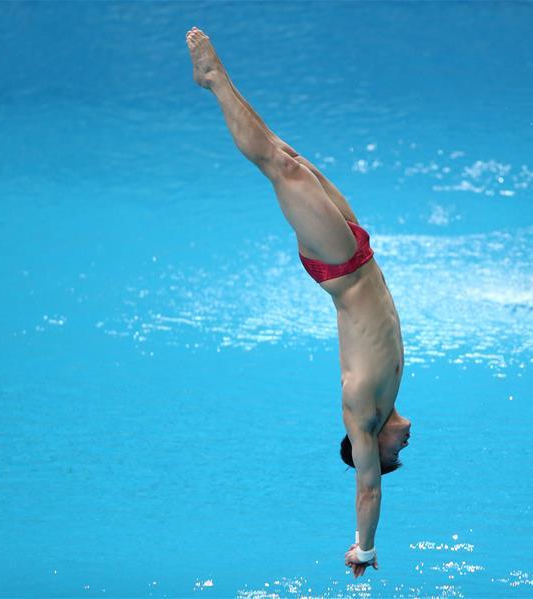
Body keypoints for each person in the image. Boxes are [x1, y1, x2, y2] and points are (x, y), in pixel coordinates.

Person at [185, 27, 412, 578]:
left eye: (394, 457)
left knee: (278, 167)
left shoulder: (362, 416)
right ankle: (221, 83)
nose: (404, 447)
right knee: (289, 156)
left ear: (372, 451)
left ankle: (213, 80)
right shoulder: (388, 398)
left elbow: (366, 490)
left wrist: (366, 549)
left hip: (339, 265)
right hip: (358, 250)